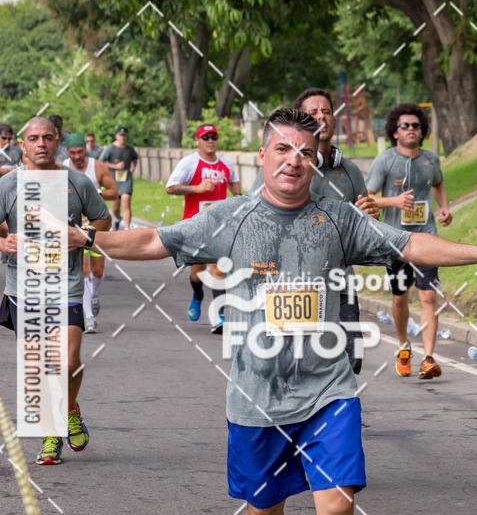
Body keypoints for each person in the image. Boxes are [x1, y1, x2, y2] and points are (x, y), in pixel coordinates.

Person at [70, 107, 477, 515]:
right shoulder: (229, 219)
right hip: (256, 393)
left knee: (336, 501)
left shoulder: (335, 218)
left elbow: (408, 246)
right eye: (283, 149)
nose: (294, 160)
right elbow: (151, 242)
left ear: (314, 161)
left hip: (329, 388)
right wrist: (88, 237)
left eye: (304, 152)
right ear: (262, 156)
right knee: (263, 512)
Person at [0, 117, 111, 464]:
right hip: (25, 287)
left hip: (67, 286)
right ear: (23, 144)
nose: (41, 144)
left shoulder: (77, 183)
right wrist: (6, 242)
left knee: (68, 362)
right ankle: (52, 435)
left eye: (48, 137)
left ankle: (70, 408)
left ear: (58, 141)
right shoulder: (9, 184)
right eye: (34, 138)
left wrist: (82, 236)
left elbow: (103, 219)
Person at [250, 89, 379, 373]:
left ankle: (337, 412)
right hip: (290, 283)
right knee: (290, 362)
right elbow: (255, 213)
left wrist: (370, 214)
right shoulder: (283, 167)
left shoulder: (349, 171)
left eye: (326, 112)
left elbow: (363, 222)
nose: (321, 117)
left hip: (338, 280)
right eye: (312, 113)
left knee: (350, 358)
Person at [366, 103, 452, 379]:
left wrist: (444, 207)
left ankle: (428, 358)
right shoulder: (385, 161)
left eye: (416, 125)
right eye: (405, 126)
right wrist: (394, 201)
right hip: (396, 242)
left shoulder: (430, 160)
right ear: (394, 132)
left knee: (428, 296)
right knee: (400, 298)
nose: (411, 129)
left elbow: (437, 184)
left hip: (427, 237)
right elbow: (366, 197)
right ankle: (403, 347)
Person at [165, 123, 240, 333]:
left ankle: (218, 315)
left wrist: (241, 206)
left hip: (220, 226)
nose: (210, 141)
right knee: (197, 273)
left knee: (217, 268)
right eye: (205, 137)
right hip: (195, 225)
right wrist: (196, 188)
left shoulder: (226, 164)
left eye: (213, 137)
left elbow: (236, 189)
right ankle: (197, 296)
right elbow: (170, 187)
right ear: (198, 141)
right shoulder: (189, 163)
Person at [62, 132, 118, 333]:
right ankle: (89, 316)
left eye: (80, 152)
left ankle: (93, 294)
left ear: (85, 149)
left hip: (98, 225)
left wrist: (95, 193)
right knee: (83, 269)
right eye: (72, 152)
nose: (77, 156)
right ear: (67, 152)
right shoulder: (62, 168)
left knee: (98, 271)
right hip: (76, 227)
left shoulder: (98, 167)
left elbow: (114, 191)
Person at [102, 126, 138, 230]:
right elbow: (102, 162)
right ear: (116, 136)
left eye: (124, 135)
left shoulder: (129, 149)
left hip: (126, 179)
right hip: (114, 180)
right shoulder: (110, 148)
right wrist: (115, 166)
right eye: (120, 135)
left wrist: (133, 166)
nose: (122, 137)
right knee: (116, 206)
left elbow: (135, 159)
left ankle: (127, 228)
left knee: (126, 201)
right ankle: (117, 220)